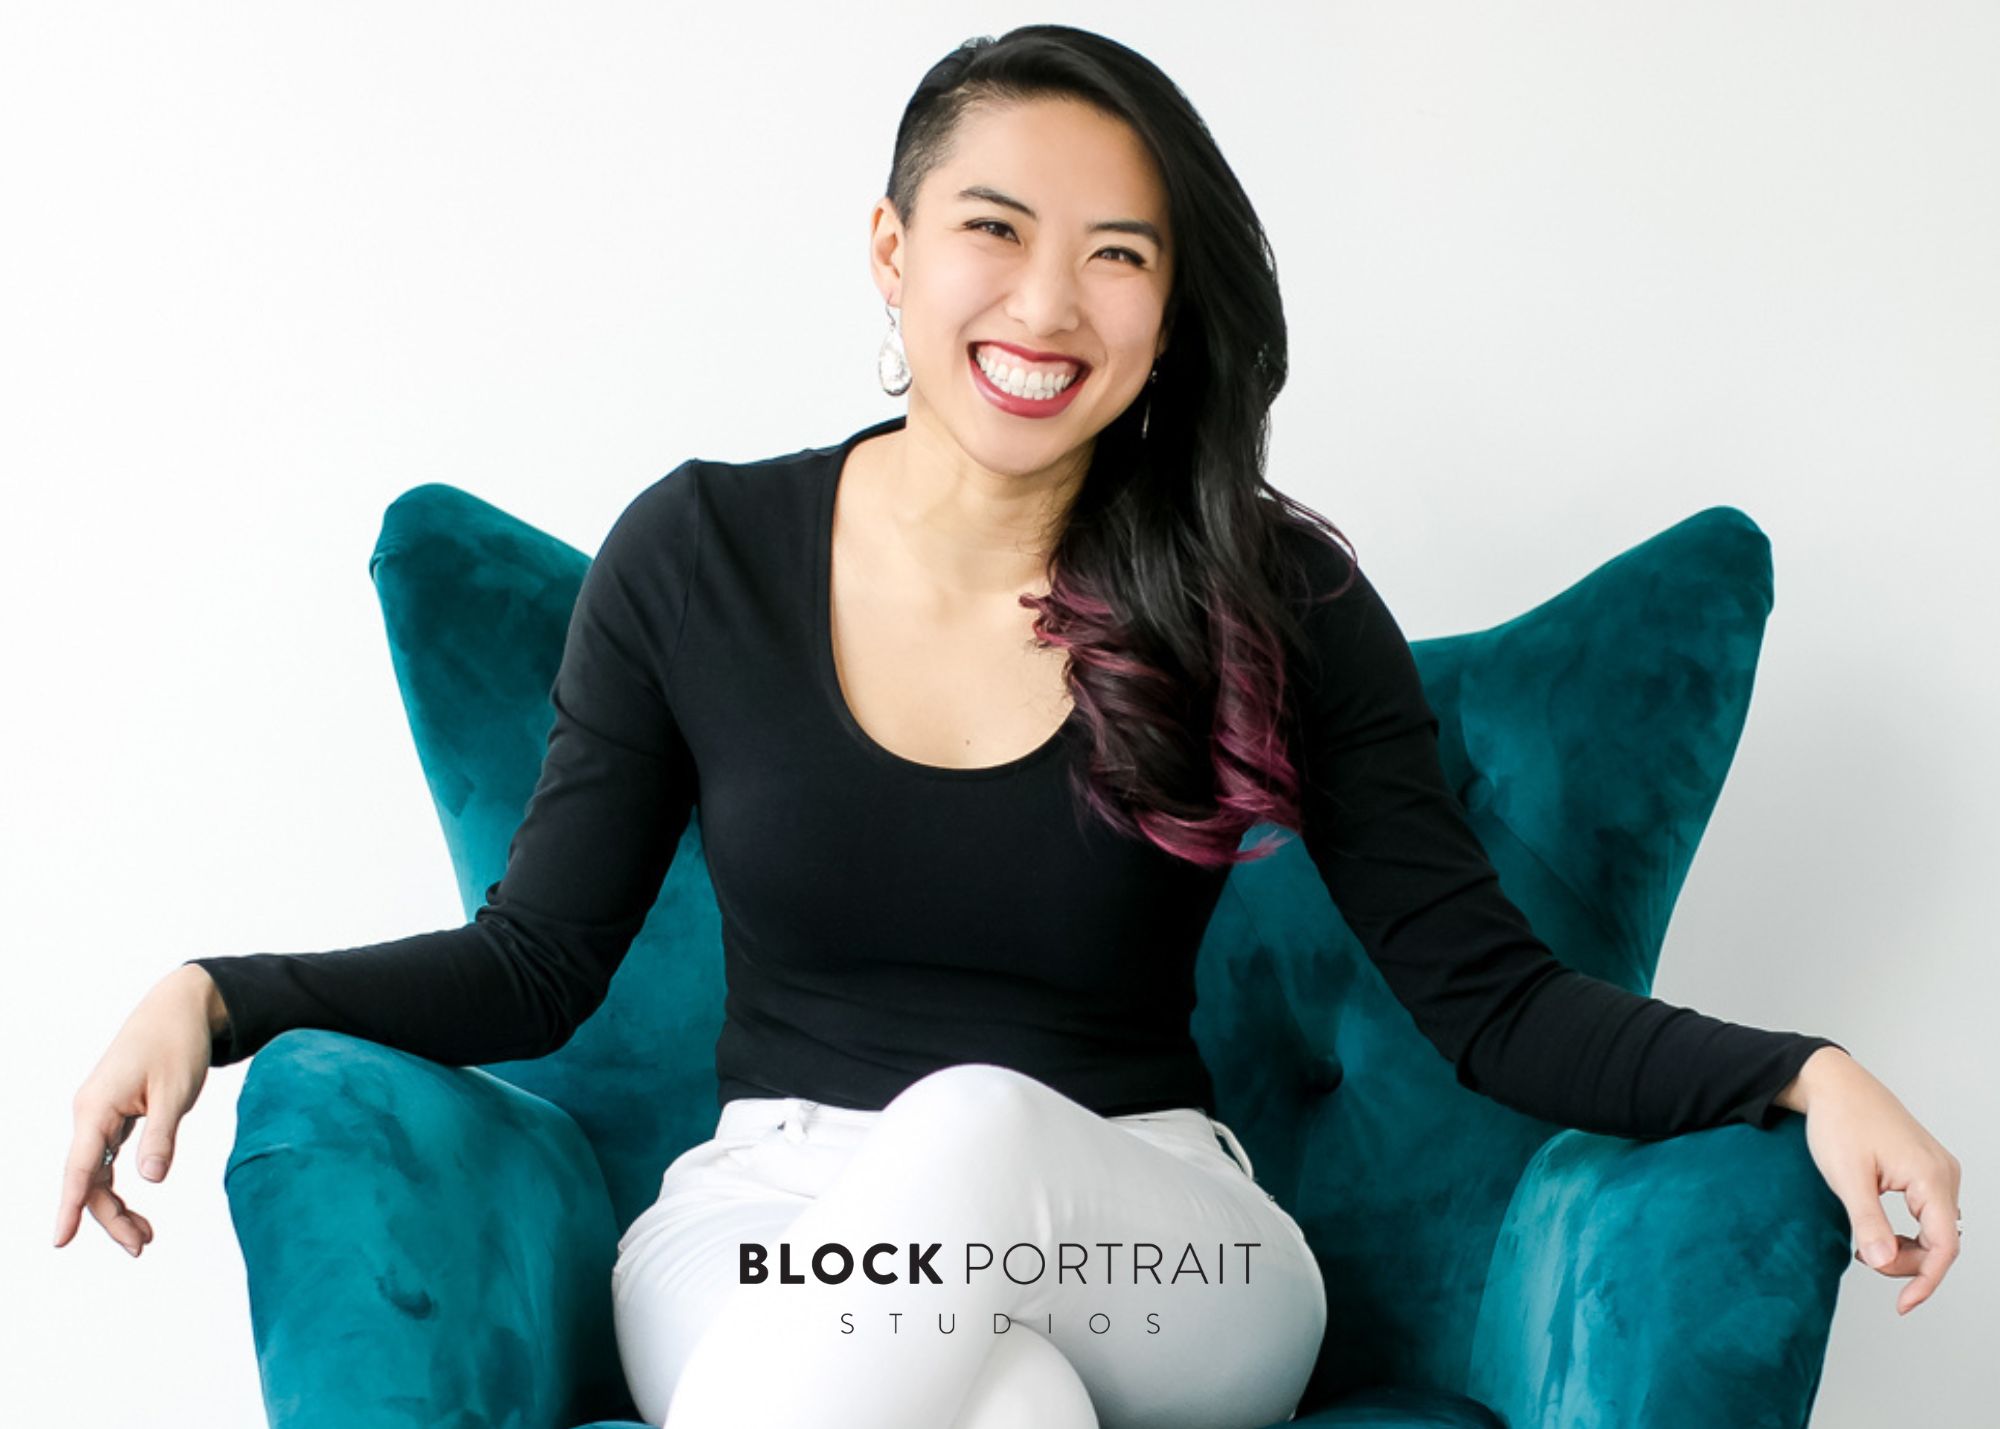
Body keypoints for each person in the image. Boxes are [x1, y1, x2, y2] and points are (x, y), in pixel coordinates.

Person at [55, 22, 1962, 1429]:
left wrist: (1799, 1072)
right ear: (891, 251)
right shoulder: (702, 552)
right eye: (994, 228)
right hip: (768, 1229)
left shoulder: (1257, 588)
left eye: (1120, 254)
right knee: (1013, 1410)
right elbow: (536, 960)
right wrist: (220, 994)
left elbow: (1491, 1000)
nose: (1051, 300)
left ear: (1167, 311)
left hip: (1170, 1249)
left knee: (979, 1130)